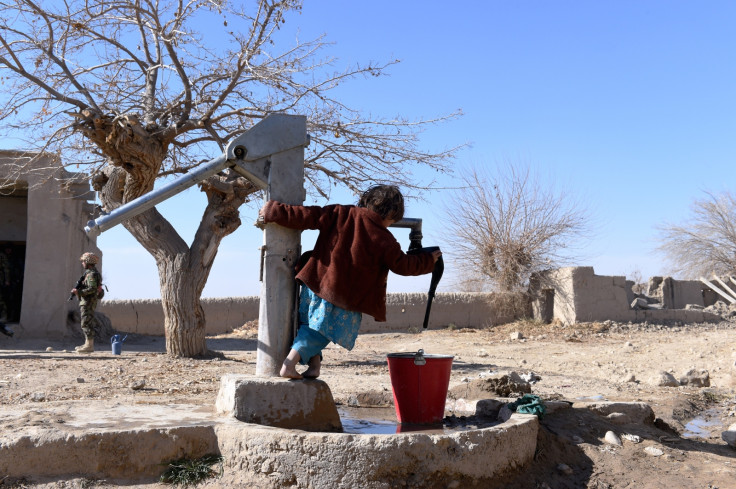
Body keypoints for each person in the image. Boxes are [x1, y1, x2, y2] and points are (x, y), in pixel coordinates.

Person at [259, 185, 442, 379]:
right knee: (318, 333)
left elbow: (307, 215)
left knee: (311, 326)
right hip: (342, 297)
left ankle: (314, 367)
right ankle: (289, 365)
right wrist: (428, 261)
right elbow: (404, 265)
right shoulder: (384, 238)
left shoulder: (340, 213)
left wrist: (274, 211)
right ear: (392, 213)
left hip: (315, 285)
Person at [71, 252, 102, 353]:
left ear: (88, 262)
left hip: (88, 302)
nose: (82, 263)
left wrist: (78, 292)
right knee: (86, 322)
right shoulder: (91, 273)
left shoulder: (91, 274)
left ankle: (89, 346)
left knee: (86, 323)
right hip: (88, 302)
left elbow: (92, 289)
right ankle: (87, 344)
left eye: (83, 261)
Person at [0, 247, 12, 337]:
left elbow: (6, 268)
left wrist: (7, 280)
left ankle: (4, 320)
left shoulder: (2, 256)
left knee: (2, 300)